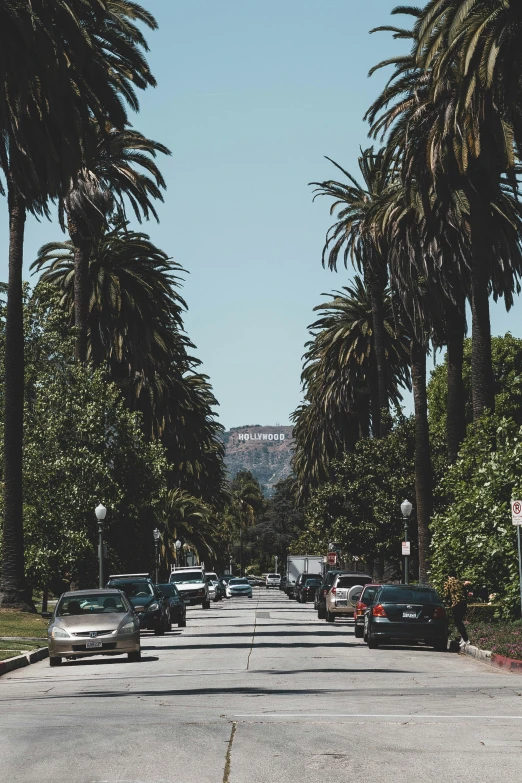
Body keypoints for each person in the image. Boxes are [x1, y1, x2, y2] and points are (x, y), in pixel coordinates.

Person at [444, 570, 471, 648]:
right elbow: (465, 593)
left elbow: (446, 595)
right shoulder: (459, 582)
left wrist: (449, 604)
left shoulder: (448, 583)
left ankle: (466, 639)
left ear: (449, 576)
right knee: (460, 621)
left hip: (456, 604)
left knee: (457, 622)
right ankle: (463, 638)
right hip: (463, 603)